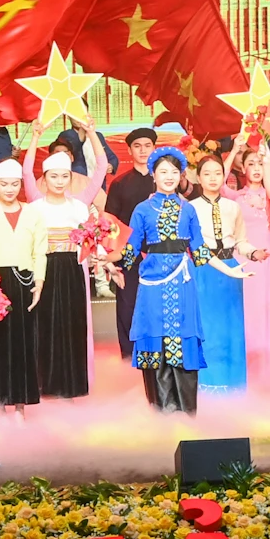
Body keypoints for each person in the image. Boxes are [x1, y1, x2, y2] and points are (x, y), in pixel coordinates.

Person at [116, 147, 227, 413]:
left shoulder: (188, 209)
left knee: (183, 335)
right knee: (155, 337)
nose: (169, 177)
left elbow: (199, 250)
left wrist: (230, 270)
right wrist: (110, 264)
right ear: (153, 175)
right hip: (152, 280)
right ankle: (161, 408)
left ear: (181, 176)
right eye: (163, 172)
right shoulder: (142, 209)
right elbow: (130, 248)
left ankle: (186, 411)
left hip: (182, 279)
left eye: (174, 172)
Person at [0, 158, 45, 411]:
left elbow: (40, 251)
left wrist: (39, 282)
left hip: (25, 282)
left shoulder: (32, 213)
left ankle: (21, 404)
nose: (10, 189)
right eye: (4, 184)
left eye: (15, 184)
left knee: (25, 344)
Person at [28, 145, 100, 400]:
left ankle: (73, 384)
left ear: (71, 178)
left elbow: (101, 167)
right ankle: (45, 383)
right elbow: (26, 172)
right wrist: (36, 136)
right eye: (53, 176)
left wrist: (91, 133)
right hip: (44, 268)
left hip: (72, 268)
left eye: (64, 176)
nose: (59, 182)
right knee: (44, 324)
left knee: (73, 324)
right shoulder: (35, 206)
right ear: (44, 179)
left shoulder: (80, 206)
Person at [225, 141, 270, 384]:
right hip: (243, 258)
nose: (256, 168)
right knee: (247, 309)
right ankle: (248, 365)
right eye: (250, 164)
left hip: (268, 261)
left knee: (269, 307)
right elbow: (218, 182)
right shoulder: (236, 197)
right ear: (242, 168)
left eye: (259, 164)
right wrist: (234, 150)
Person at [189, 153, 252, 393]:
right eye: (207, 174)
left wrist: (254, 253)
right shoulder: (190, 208)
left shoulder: (233, 207)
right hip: (202, 270)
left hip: (231, 269)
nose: (213, 178)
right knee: (207, 326)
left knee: (231, 326)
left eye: (218, 173)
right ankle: (207, 384)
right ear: (199, 178)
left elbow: (241, 242)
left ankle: (234, 385)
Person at [105, 127, 160, 363]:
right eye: (137, 146)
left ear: (154, 149)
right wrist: (112, 258)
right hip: (129, 252)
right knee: (128, 304)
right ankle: (128, 355)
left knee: (159, 303)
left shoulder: (165, 180)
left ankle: (158, 352)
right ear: (129, 150)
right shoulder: (119, 184)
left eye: (147, 146)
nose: (143, 150)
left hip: (160, 253)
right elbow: (109, 223)